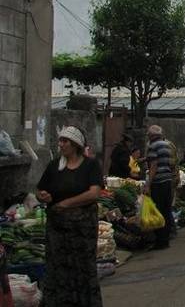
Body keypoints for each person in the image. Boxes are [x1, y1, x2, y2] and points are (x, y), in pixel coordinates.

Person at [37, 126, 103, 306]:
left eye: (65, 141)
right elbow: (41, 188)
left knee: (82, 268)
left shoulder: (90, 165)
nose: (61, 145)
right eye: (60, 141)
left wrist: (66, 204)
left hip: (82, 230)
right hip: (57, 230)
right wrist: (43, 195)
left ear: (75, 144)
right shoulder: (54, 166)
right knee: (57, 268)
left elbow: (94, 193)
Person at [143, 125, 174, 250]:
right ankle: (165, 239)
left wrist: (148, 184)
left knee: (158, 211)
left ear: (151, 136)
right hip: (167, 179)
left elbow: (154, 165)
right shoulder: (166, 145)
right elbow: (163, 160)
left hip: (158, 182)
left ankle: (160, 241)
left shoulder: (152, 146)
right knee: (166, 210)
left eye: (148, 136)